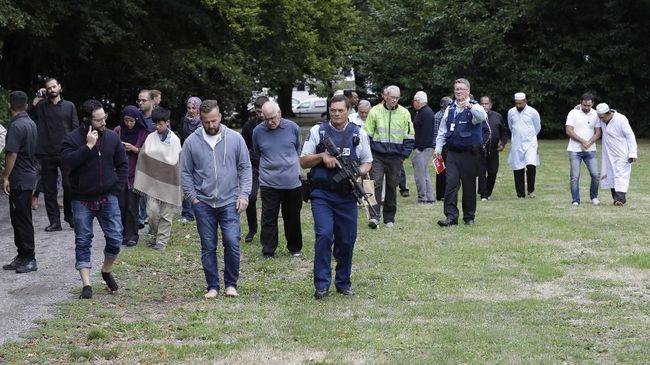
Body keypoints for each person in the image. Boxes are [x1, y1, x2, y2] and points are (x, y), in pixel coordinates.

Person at [300, 94, 372, 299]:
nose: (336, 114)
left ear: (349, 110)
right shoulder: (318, 131)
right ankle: (322, 284)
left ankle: (343, 282)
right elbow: (303, 161)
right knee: (324, 235)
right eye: (333, 110)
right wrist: (322, 156)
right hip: (322, 194)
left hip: (347, 195)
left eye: (340, 110)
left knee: (347, 240)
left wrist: (357, 173)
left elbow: (367, 161)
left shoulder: (359, 133)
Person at [180, 99, 251, 299]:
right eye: (206, 121)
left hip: (229, 200)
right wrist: (192, 198)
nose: (211, 125)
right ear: (200, 119)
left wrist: (244, 194)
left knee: (232, 242)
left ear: (220, 117)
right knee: (208, 245)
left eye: (213, 120)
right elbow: (185, 172)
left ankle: (231, 284)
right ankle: (213, 286)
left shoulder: (235, 139)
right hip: (203, 203)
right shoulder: (192, 142)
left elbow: (245, 168)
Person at [62, 99, 128, 299]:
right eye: (98, 120)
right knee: (83, 240)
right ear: (86, 121)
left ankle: (106, 270)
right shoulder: (72, 139)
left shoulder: (112, 137)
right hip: (81, 198)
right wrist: (88, 147)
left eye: (104, 118)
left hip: (108, 196)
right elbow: (66, 163)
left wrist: (116, 189)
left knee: (116, 239)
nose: (103, 123)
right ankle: (87, 285)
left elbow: (122, 164)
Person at [434, 78, 488, 227]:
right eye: (456, 89)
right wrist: (438, 148)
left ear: (468, 91)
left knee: (469, 186)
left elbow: (482, 117)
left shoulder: (476, 107)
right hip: (452, 153)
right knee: (450, 183)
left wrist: (469, 106)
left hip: (470, 154)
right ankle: (451, 217)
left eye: (461, 89)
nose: (458, 92)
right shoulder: (450, 109)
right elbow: (442, 131)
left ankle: (469, 217)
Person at [253, 101, 303, 258]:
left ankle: (295, 248)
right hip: (269, 182)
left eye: (272, 118)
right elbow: (257, 152)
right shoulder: (257, 132)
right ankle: (268, 250)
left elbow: (297, 148)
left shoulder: (293, 128)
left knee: (293, 216)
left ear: (279, 113)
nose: (269, 122)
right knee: (268, 217)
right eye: (266, 119)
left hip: (292, 182)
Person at [31, 77, 78, 231]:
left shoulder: (70, 106)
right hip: (46, 152)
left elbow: (75, 128)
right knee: (50, 190)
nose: (51, 90)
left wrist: (77, 148)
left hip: (66, 151)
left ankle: (69, 216)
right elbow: (29, 116)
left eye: (54, 86)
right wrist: (37, 98)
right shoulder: (41, 106)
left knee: (69, 186)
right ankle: (54, 222)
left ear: (60, 87)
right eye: (48, 88)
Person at [364, 85, 414, 228]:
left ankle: (389, 218)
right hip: (377, 155)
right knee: (376, 184)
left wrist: (403, 155)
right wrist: (368, 155)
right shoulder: (374, 111)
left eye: (397, 98)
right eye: (392, 97)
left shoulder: (405, 113)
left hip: (396, 157)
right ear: (385, 96)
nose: (395, 100)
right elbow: (367, 134)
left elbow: (410, 135)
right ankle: (374, 217)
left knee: (392, 186)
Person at [134, 107, 182, 250]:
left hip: (169, 183)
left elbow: (175, 161)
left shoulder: (175, 140)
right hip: (153, 183)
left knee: (166, 215)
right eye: (155, 124)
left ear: (167, 122)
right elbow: (144, 155)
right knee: (152, 212)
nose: (157, 127)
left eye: (160, 124)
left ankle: (162, 241)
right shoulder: (151, 137)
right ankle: (155, 234)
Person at [2, 91, 38, 273]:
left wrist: (5, 176)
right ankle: (22, 255)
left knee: (22, 219)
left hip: (20, 178)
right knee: (18, 218)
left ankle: (30, 258)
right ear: (24, 105)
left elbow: (12, 154)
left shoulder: (16, 126)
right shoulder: (30, 122)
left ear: (10, 104)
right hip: (28, 175)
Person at [114, 106, 148, 246]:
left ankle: (132, 236)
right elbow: (109, 147)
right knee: (121, 205)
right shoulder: (118, 131)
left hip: (136, 174)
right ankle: (122, 234)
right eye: (126, 120)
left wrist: (135, 149)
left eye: (131, 121)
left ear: (137, 120)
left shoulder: (143, 133)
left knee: (132, 207)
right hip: (120, 174)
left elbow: (148, 153)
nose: (129, 124)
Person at [595, 103, 638, 206]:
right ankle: (616, 199)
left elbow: (630, 135)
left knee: (621, 175)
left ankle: (620, 199)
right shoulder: (601, 119)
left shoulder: (621, 119)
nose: (601, 119)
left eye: (603, 117)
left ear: (609, 113)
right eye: (599, 117)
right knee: (611, 175)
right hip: (609, 153)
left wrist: (633, 153)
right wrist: (577, 108)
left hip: (622, 153)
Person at [239, 95, 268, 242]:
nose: (260, 115)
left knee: (269, 200)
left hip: (270, 167)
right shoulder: (249, 126)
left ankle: (267, 231)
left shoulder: (273, 124)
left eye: (262, 112)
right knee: (250, 197)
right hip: (253, 167)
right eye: (257, 112)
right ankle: (252, 229)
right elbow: (242, 147)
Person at [565, 93, 601, 206]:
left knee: (595, 175)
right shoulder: (573, 113)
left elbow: (598, 132)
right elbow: (569, 130)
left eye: (589, 105)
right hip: (574, 150)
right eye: (584, 105)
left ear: (592, 104)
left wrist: (589, 143)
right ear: (580, 102)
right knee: (574, 177)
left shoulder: (596, 114)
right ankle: (576, 200)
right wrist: (583, 141)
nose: (586, 108)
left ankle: (594, 196)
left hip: (591, 150)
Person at [507, 92, 541, 198]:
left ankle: (531, 190)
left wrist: (529, 136)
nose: (518, 106)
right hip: (517, 143)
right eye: (516, 103)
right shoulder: (511, 112)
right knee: (517, 168)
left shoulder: (533, 112)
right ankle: (520, 194)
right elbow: (511, 126)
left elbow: (537, 127)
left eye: (520, 103)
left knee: (531, 165)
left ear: (525, 101)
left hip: (530, 143)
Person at [478, 96, 509, 201]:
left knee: (493, 172)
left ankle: (488, 191)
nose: (484, 105)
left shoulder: (497, 116)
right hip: (480, 150)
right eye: (482, 103)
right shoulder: (476, 116)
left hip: (493, 150)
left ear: (491, 105)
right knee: (481, 172)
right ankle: (484, 195)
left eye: (486, 104)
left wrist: (503, 144)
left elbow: (504, 132)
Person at [178, 96, 202, 223]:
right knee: (186, 181)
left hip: (200, 154)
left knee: (199, 182)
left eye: (194, 108)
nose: (191, 110)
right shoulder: (184, 121)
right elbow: (181, 136)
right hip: (186, 153)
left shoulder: (203, 121)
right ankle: (187, 213)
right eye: (189, 108)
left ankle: (199, 209)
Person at [411, 91, 435, 204]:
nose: (413, 103)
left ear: (418, 101)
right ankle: (429, 196)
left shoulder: (425, 113)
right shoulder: (425, 112)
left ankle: (422, 197)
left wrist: (419, 148)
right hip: (426, 147)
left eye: (414, 101)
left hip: (423, 148)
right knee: (424, 173)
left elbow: (426, 132)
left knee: (419, 174)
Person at [433, 96, 452, 201]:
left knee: (447, 171)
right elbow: (436, 133)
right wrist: (436, 147)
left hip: (448, 146)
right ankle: (440, 194)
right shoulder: (438, 116)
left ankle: (445, 193)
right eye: (448, 103)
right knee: (440, 170)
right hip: (441, 146)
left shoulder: (449, 114)